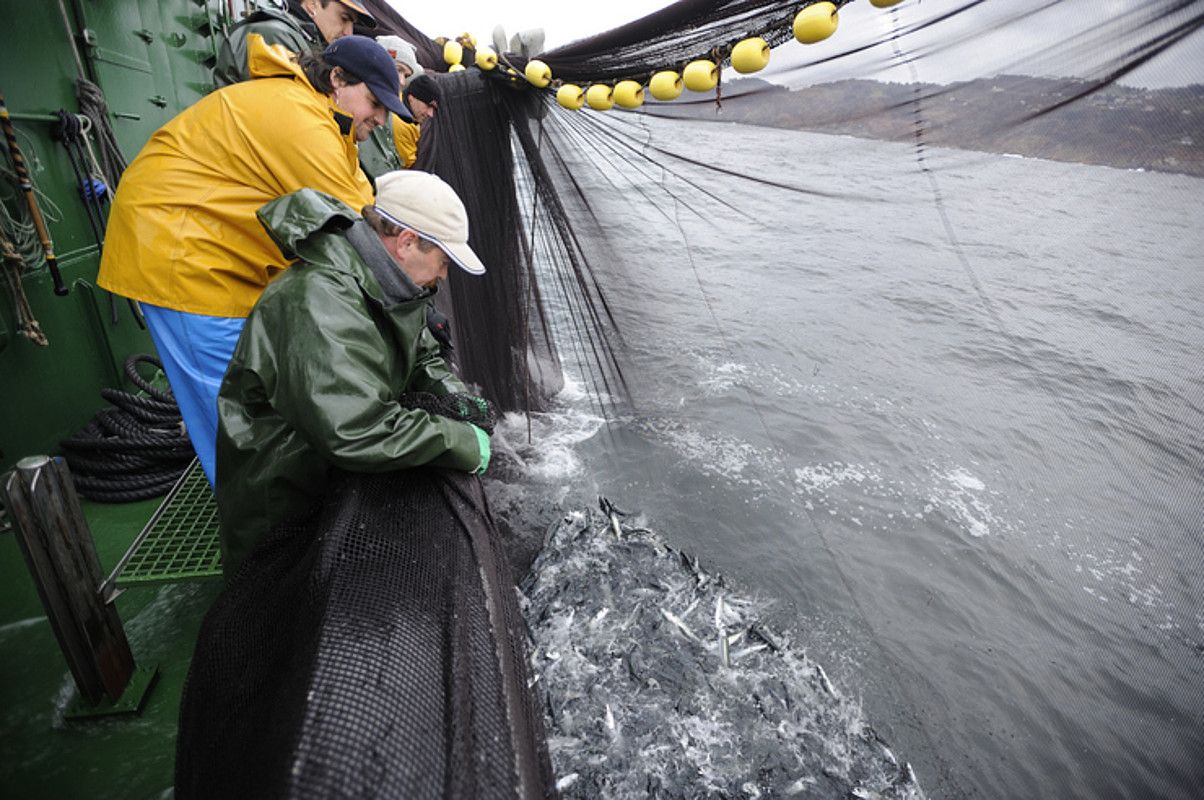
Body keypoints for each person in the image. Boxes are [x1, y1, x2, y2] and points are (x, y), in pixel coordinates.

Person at [98, 35, 408, 486]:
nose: (380, 118)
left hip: (222, 255)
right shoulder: (300, 121)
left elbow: (359, 198)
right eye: (375, 102)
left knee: (256, 387)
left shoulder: (323, 117)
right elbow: (354, 232)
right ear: (338, 79)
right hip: (181, 257)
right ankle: (253, 526)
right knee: (233, 410)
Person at [214, 170, 490, 574]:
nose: (444, 275)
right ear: (407, 242)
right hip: (283, 495)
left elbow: (422, 355)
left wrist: (452, 396)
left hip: (327, 472)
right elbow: (355, 428)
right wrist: (461, 441)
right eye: (444, 261)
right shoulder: (316, 299)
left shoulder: (391, 281)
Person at [213, 0, 376, 87]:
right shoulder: (277, 36)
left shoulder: (302, 41)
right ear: (313, 4)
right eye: (344, 19)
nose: (349, 32)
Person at [360, 72, 441, 179]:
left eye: (433, 109)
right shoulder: (404, 125)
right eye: (428, 106)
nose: (430, 114)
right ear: (412, 98)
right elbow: (406, 165)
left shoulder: (400, 100)